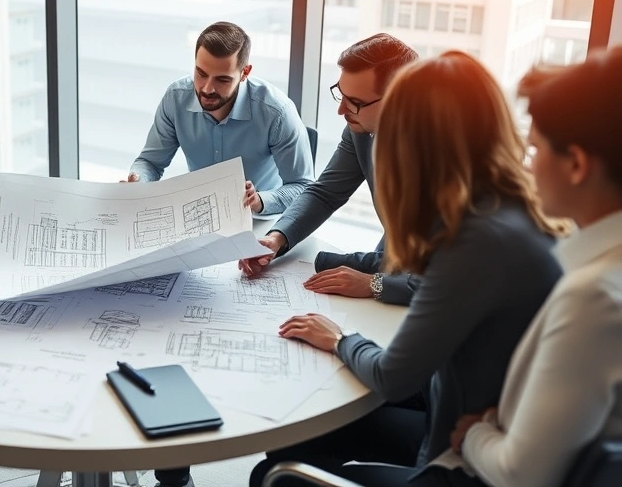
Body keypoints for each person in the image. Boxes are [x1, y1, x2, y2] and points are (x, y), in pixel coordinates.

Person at [247, 51, 564, 487]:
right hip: (464, 412)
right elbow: (333, 200)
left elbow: (392, 375)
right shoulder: (505, 207)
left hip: (460, 458)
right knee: (299, 431)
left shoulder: (474, 238)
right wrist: (292, 246)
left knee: (277, 473)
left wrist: (338, 337)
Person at [405, 49, 622, 487]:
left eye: (537, 147)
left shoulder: (593, 296)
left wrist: (475, 434)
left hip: (477, 473)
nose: (527, 161)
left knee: (280, 474)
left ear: (577, 164)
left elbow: (523, 475)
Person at [239, 33, 420, 304]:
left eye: (355, 102)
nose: (342, 111)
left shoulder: (441, 156)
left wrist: (375, 284)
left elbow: (456, 276)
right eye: (340, 94)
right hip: (392, 263)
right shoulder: (360, 129)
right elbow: (326, 192)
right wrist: (276, 238)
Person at [125, 21, 314, 217]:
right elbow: (150, 163)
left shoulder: (277, 112)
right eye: (201, 73)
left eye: (222, 79)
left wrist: (260, 200)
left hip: (258, 220)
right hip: (199, 217)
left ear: (244, 73)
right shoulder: (176, 98)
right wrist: (138, 183)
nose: (207, 89)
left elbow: (303, 187)